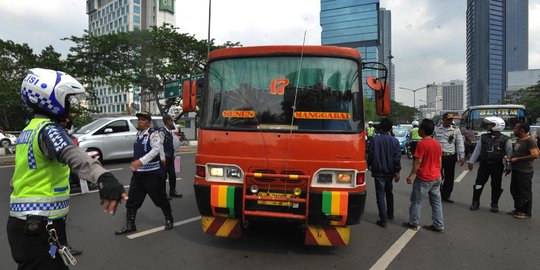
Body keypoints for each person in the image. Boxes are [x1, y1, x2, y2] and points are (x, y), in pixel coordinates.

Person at [7, 68, 127, 269]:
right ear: (51, 98)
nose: (69, 105)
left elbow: (18, 179)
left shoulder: (28, 130)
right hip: (38, 228)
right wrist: (103, 176)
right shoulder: (48, 129)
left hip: (26, 225)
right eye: (67, 99)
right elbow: (71, 154)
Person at [115, 111, 174, 235]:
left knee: (160, 198)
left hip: (152, 174)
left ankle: (169, 218)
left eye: (142, 119)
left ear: (149, 122)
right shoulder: (138, 135)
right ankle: (130, 225)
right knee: (131, 201)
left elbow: (156, 150)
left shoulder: (154, 134)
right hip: (138, 175)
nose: (140, 121)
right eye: (139, 119)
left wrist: (141, 161)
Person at [403, 118, 444, 233]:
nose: (419, 130)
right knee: (436, 203)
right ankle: (439, 225)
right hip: (436, 177)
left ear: (423, 130)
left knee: (416, 201)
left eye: (420, 128)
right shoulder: (437, 144)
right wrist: (438, 174)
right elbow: (440, 162)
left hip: (424, 178)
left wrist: (411, 175)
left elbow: (418, 162)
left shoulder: (421, 144)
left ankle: (413, 223)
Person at [467, 117, 512, 212]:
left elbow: (509, 154)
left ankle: (494, 204)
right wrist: (471, 161)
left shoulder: (506, 139)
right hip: (484, 165)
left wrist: (509, 165)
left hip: (497, 165)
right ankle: (475, 202)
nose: (488, 126)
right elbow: (477, 150)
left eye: (490, 124)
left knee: (496, 185)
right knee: (479, 183)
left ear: (497, 126)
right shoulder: (483, 137)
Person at [367, 118, 401, 228]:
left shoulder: (374, 140)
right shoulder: (394, 141)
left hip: (378, 172)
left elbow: (370, 155)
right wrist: (397, 171)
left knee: (380, 195)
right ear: (391, 128)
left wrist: (369, 165)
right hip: (390, 172)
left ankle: (383, 219)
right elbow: (397, 158)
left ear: (380, 127)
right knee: (389, 192)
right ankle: (390, 214)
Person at [507, 122, 538, 219]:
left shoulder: (530, 140)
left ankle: (526, 212)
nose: (514, 130)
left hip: (525, 171)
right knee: (514, 190)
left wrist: (517, 159)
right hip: (516, 169)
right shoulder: (519, 139)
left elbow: (535, 155)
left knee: (525, 193)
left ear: (522, 130)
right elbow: (517, 152)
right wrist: (510, 158)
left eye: (515, 128)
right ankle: (518, 209)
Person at [434, 112, 465, 203]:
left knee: (449, 177)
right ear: (443, 119)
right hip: (438, 156)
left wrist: (461, 156)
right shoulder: (436, 129)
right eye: (447, 119)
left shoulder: (456, 130)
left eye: (451, 120)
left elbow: (460, 143)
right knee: (438, 176)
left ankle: (446, 195)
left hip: (450, 156)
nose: (449, 121)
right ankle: (437, 193)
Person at [159, 114, 182, 199]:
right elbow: (160, 145)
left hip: (171, 157)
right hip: (165, 158)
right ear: (168, 121)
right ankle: (163, 194)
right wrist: (162, 157)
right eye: (171, 121)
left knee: (172, 175)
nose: (173, 122)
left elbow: (171, 145)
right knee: (163, 177)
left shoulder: (169, 131)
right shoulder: (162, 131)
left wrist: (174, 155)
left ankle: (172, 191)